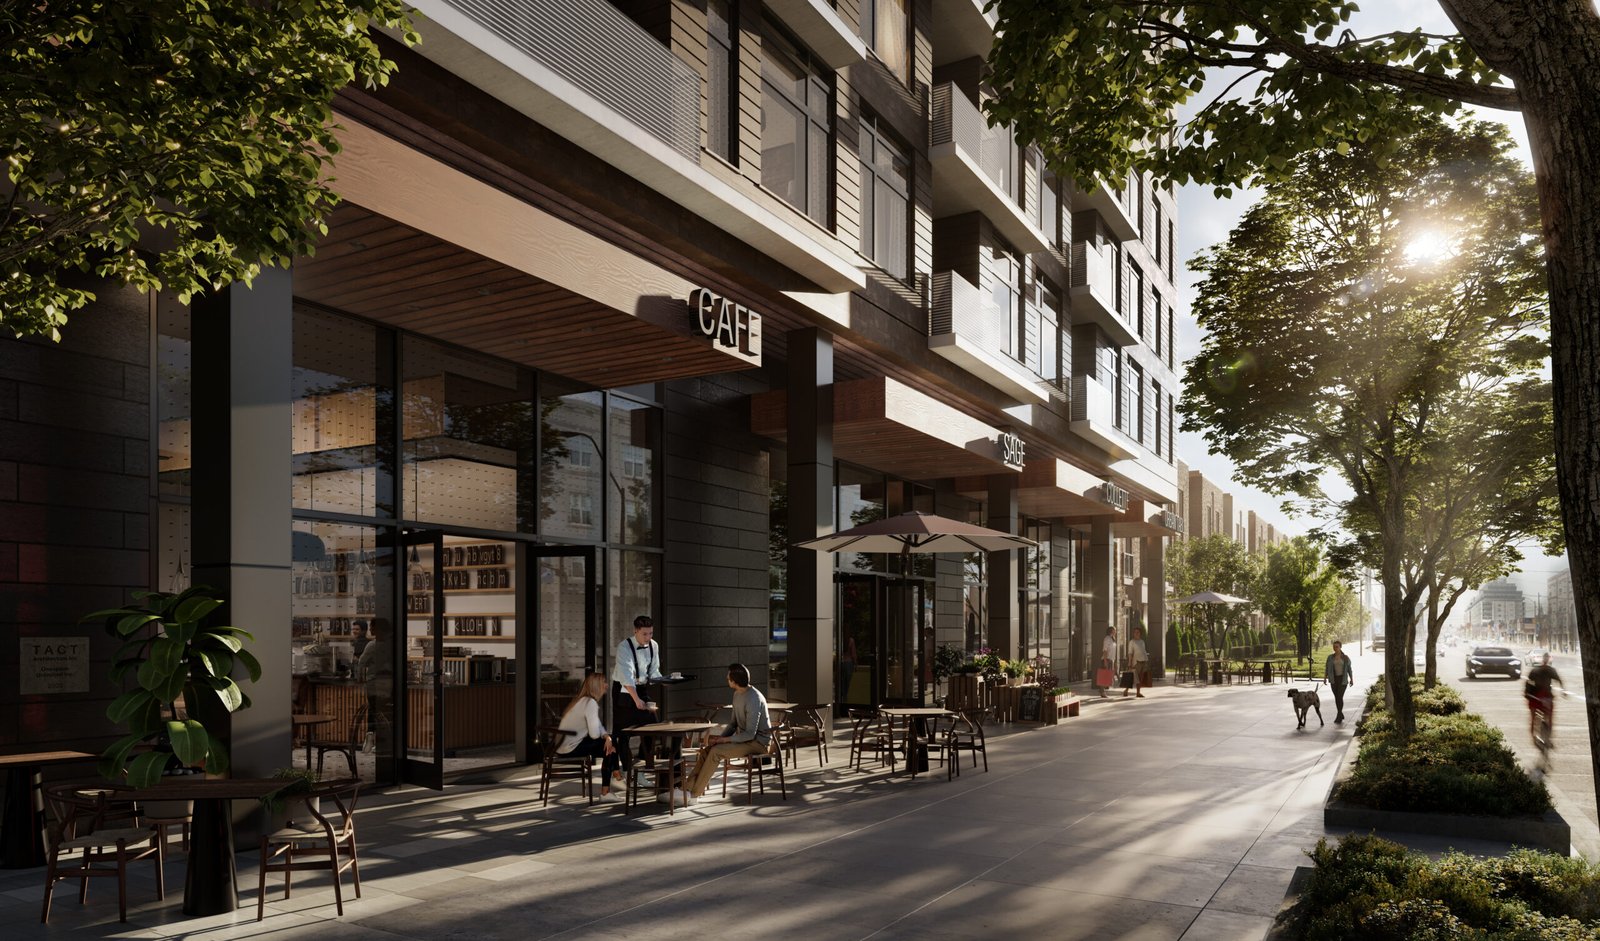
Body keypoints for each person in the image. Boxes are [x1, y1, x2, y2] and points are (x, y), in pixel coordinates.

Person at [681, 663, 772, 805]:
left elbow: (750, 734)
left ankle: (694, 795)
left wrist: (725, 741)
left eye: (728, 676)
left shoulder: (754, 698)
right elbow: (733, 724)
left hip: (758, 743)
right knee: (707, 750)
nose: (726, 678)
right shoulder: (737, 694)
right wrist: (720, 738)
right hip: (745, 740)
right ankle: (685, 789)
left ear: (734, 681)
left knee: (716, 752)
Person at [557, 673, 624, 801]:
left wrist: (606, 737)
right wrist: (607, 739)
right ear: (596, 686)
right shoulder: (590, 703)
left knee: (610, 743)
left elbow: (598, 726)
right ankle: (610, 785)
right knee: (610, 747)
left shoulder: (582, 700)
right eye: (604, 682)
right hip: (570, 748)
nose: (606, 685)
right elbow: (594, 735)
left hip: (564, 745)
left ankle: (615, 776)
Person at [612, 614, 666, 740]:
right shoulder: (624, 647)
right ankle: (618, 759)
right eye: (644, 634)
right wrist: (636, 699)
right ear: (635, 631)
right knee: (622, 731)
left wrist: (665, 680)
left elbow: (653, 670)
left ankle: (645, 756)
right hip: (623, 690)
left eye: (651, 633)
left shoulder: (654, 645)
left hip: (641, 688)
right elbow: (626, 677)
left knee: (652, 724)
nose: (648, 637)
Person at [1525, 652, 1565, 746]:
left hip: (1535, 697)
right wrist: (1563, 691)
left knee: (1534, 719)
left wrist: (1527, 693)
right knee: (1548, 718)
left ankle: (1535, 738)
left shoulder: (1535, 670)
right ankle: (1547, 739)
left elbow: (1528, 682)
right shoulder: (1550, 670)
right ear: (1547, 659)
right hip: (1545, 697)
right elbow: (1559, 680)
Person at [1325, 641, 1353, 723]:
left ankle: (1339, 716)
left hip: (1343, 680)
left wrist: (1351, 679)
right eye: (1334, 647)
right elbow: (1327, 668)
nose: (1335, 648)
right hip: (1334, 680)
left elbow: (1349, 669)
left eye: (1336, 647)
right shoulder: (1330, 657)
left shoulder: (1345, 658)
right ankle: (1340, 713)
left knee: (1339, 697)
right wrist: (1325, 678)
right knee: (1337, 697)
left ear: (1340, 647)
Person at [1126, 626, 1149, 698]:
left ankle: (1138, 692)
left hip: (1143, 661)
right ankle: (1126, 690)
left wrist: (1146, 660)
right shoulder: (1132, 642)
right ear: (1133, 633)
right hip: (1136, 662)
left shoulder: (1142, 641)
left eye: (1138, 632)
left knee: (1140, 678)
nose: (1136, 633)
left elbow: (1144, 651)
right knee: (1133, 677)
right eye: (1135, 632)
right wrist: (1129, 663)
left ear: (1140, 633)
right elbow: (1130, 653)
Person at [1098, 626, 1117, 698]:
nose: (1115, 632)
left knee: (1107, 676)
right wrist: (1105, 661)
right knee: (1104, 676)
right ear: (1111, 631)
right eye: (1114, 630)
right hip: (1107, 659)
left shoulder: (1112, 639)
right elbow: (1105, 650)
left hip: (1111, 659)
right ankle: (1102, 692)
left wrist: (1114, 661)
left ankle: (1102, 690)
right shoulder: (1107, 639)